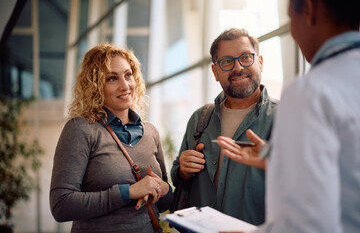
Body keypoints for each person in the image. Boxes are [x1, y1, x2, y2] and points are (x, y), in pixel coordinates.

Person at [218, 0, 360, 232]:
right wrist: (279, 159)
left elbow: (307, 225)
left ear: (308, 9)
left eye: (288, 17)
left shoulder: (311, 92)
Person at [50, 43, 172, 233]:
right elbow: (61, 205)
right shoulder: (81, 129)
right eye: (112, 78)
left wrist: (164, 189)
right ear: (95, 86)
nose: (125, 86)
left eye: (128, 75)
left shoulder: (150, 132)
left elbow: (164, 204)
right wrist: (128, 192)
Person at [171, 28, 278, 225]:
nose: (238, 67)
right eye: (227, 61)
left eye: (246, 57)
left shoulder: (284, 119)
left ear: (260, 62)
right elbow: (178, 176)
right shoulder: (200, 118)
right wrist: (183, 171)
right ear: (215, 71)